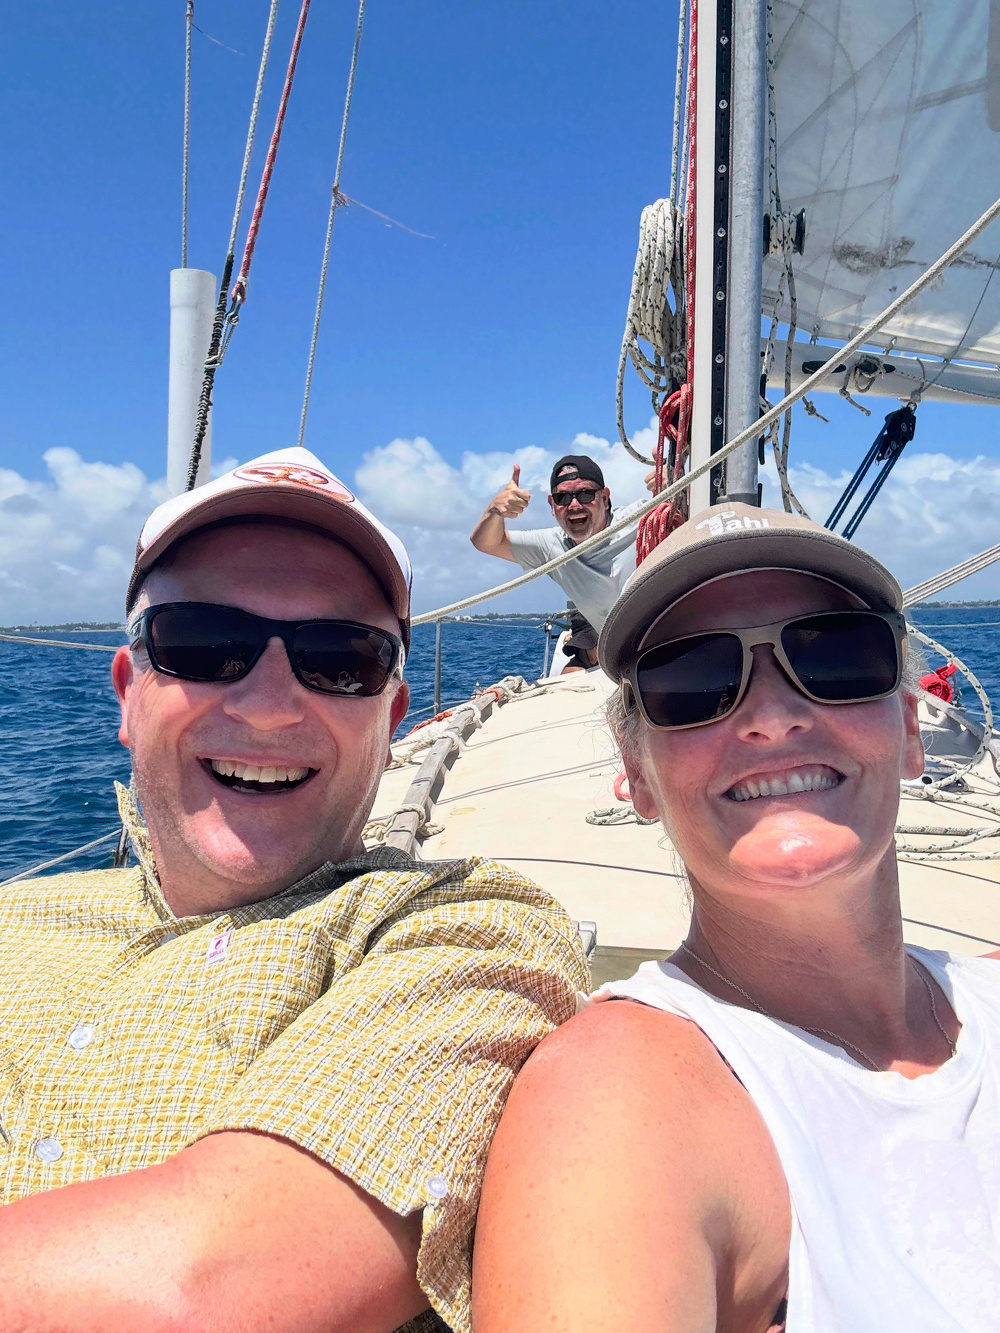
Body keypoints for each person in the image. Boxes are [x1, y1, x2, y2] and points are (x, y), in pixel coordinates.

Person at [0, 446, 587, 1333]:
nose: (270, 703)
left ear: (390, 720)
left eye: (340, 659)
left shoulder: (463, 931)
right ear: (128, 692)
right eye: (205, 643)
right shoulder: (19, 916)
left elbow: (216, 1284)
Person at [473, 502, 1000, 1332]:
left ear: (908, 728)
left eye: (834, 654)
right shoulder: (621, 1105)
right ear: (636, 774)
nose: (773, 715)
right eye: (692, 681)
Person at [470, 455, 650, 663]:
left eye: (585, 494)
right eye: (562, 498)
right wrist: (494, 511)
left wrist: (673, 485)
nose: (574, 505)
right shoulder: (552, 546)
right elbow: (486, 543)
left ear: (605, 498)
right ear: (551, 505)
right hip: (628, 662)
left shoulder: (643, 517)